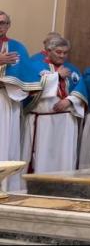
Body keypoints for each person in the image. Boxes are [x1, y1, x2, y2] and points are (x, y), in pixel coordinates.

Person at [22, 36, 85, 175]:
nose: (62, 56)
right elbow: (30, 88)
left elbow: (81, 90)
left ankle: (63, 185)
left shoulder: (72, 69)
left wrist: (69, 101)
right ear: (48, 51)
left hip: (66, 122)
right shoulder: (35, 65)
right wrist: (57, 76)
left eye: (65, 53)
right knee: (43, 157)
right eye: (58, 52)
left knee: (64, 155)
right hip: (44, 122)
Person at [0, 11, 32, 192]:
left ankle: (7, 187)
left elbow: (26, 75)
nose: (0, 26)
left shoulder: (18, 47)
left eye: (3, 23)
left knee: (8, 141)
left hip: (7, 100)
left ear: (8, 25)